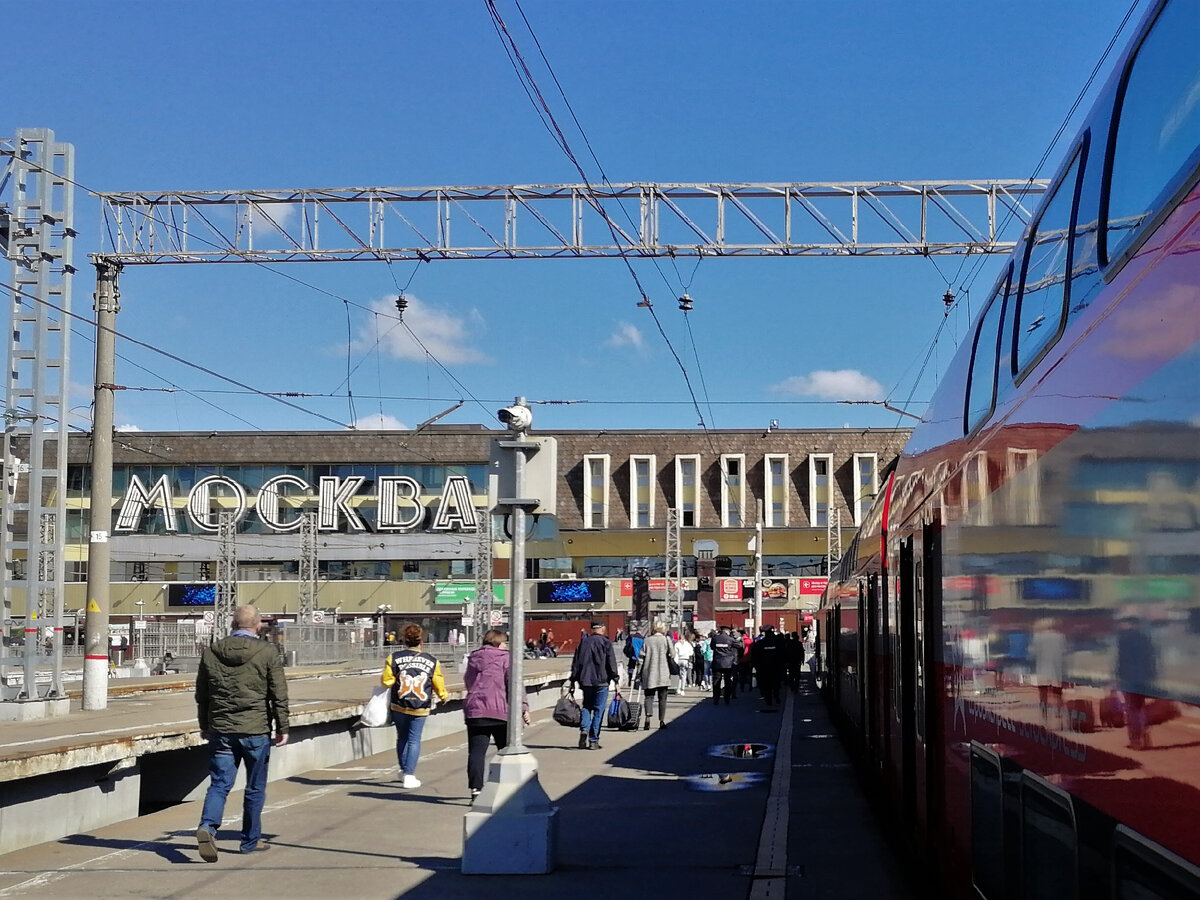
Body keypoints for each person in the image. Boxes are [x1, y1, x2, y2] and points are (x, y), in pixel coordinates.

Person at [194, 604, 289, 861]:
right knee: (254, 787)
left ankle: (207, 827)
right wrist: (283, 727)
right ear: (257, 625)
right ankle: (249, 841)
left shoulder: (212, 651)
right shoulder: (267, 651)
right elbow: (278, 694)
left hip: (221, 729)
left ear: (233, 625)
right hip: (255, 729)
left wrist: (205, 725)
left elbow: (202, 695)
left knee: (220, 784)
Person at [463, 629, 529, 802]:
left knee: (477, 752)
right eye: (504, 642)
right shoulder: (506, 658)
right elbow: (514, 684)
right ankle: (507, 788)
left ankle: (476, 790)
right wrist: (523, 708)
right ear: (498, 643)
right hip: (500, 711)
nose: (506, 645)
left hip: (476, 711)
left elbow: (468, 681)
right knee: (506, 751)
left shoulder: (473, 658)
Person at [382, 623, 448, 789]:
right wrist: (443, 696)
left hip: (399, 703)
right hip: (420, 704)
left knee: (402, 737)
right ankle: (410, 775)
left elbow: (386, 681)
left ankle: (404, 771)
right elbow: (437, 681)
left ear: (404, 640)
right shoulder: (432, 661)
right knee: (414, 739)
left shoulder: (393, 658)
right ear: (421, 641)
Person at [569, 621, 620, 749]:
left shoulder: (583, 643)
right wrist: (616, 679)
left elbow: (576, 663)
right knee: (598, 709)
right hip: (602, 681)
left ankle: (584, 729)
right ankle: (593, 740)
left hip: (585, 681)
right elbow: (611, 663)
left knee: (587, 706)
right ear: (602, 629)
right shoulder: (606, 643)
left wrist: (573, 680)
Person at [1115, 611, 1158, 750]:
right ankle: (1145, 733)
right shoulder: (1145, 637)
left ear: (1127, 624)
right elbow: (1151, 658)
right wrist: (1153, 675)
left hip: (1129, 677)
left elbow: (1121, 659)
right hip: (1144, 677)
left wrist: (1117, 676)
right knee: (1141, 707)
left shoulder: (1124, 638)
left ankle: (1136, 740)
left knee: (1131, 709)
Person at [639, 621, 675, 729]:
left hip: (649, 672)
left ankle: (648, 717)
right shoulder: (666, 640)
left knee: (648, 697)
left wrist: (638, 673)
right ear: (663, 629)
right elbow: (672, 654)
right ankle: (661, 721)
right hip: (663, 672)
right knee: (662, 698)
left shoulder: (647, 640)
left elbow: (641, 658)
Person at [1031, 618, 1066, 729]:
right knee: (1057, 693)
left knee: (1043, 694)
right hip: (1056, 667)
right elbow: (1064, 652)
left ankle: (1044, 715)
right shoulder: (1060, 636)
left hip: (1042, 668)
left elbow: (1033, 652)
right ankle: (1059, 713)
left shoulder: (1037, 637)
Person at [710, 624, 741, 704]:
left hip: (717, 662)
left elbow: (712, 647)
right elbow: (739, 645)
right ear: (727, 631)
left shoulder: (715, 638)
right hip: (728, 664)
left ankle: (716, 698)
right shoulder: (730, 639)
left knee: (716, 680)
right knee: (727, 681)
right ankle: (727, 698)